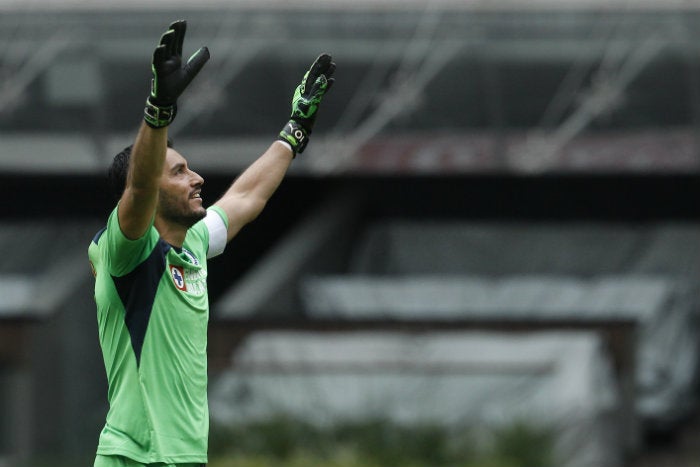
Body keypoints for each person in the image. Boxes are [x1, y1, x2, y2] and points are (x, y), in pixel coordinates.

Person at [88, 20, 335, 467]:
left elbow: (245, 197)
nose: (197, 178)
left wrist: (294, 131)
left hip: (185, 458)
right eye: (179, 171)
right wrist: (158, 109)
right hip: (135, 459)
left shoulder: (193, 243)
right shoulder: (127, 251)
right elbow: (140, 188)